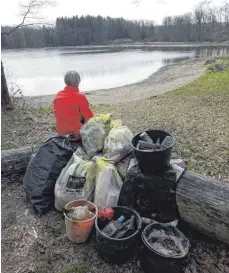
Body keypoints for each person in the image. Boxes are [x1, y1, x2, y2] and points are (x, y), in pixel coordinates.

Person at [53, 71, 93, 139]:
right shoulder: (80, 97)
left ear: (65, 81)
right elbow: (89, 118)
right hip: (75, 135)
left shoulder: (58, 95)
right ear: (78, 81)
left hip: (61, 133)